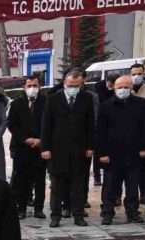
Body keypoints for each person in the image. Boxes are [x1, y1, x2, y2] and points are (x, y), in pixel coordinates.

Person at [41, 68, 95, 227]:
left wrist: (90, 146)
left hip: (80, 150)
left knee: (78, 185)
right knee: (57, 186)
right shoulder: (53, 99)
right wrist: (45, 148)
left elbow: (90, 124)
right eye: (70, 84)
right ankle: (55, 216)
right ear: (64, 83)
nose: (73, 87)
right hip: (57, 151)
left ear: (81, 84)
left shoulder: (87, 98)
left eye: (76, 85)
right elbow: (46, 126)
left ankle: (78, 215)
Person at [97, 76, 145, 224]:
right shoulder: (106, 106)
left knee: (132, 187)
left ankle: (132, 212)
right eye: (120, 87)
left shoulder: (141, 105)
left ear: (131, 87)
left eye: (126, 87)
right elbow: (100, 132)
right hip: (112, 154)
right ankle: (107, 213)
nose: (123, 90)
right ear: (114, 88)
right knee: (110, 186)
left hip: (134, 153)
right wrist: (102, 153)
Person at [7, 75, 48, 220]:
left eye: (35, 85)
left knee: (40, 180)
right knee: (21, 180)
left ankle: (39, 209)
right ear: (24, 87)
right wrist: (25, 139)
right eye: (29, 85)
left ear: (39, 86)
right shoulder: (17, 103)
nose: (32, 88)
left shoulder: (46, 102)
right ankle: (21, 208)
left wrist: (41, 140)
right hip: (22, 148)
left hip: (40, 147)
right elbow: (12, 124)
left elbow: (50, 123)